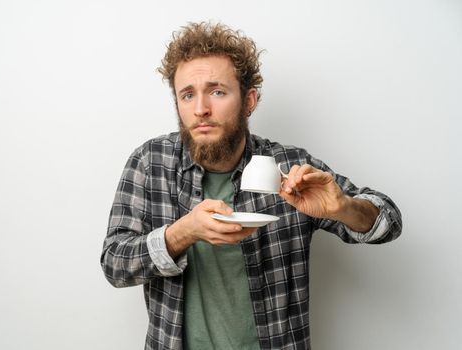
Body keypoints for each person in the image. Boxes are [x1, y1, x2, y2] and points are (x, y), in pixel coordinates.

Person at [101, 22, 402, 350]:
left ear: (249, 100)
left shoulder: (289, 166)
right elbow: (115, 263)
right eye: (187, 94)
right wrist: (182, 233)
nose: (201, 108)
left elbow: (389, 222)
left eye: (217, 91)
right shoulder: (150, 162)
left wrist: (344, 207)